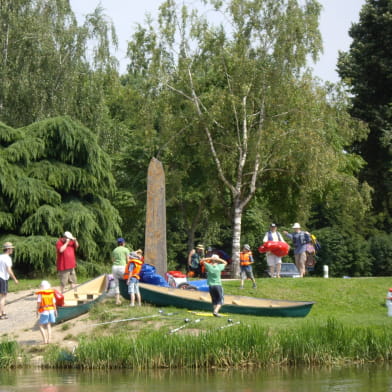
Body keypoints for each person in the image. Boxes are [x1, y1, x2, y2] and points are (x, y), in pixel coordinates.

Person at [0, 242, 18, 320]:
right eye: (11, 249)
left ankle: (3, 311)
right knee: (3, 297)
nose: (12, 250)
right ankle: (1, 314)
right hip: (3, 278)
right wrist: (15, 279)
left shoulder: (0, 257)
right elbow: (9, 270)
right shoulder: (7, 258)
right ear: (8, 249)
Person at [111, 237, 131, 305]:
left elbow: (113, 260)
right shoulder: (126, 249)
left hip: (114, 267)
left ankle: (117, 301)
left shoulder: (114, 250)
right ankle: (132, 299)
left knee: (117, 284)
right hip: (122, 267)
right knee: (129, 281)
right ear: (123, 243)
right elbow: (128, 260)